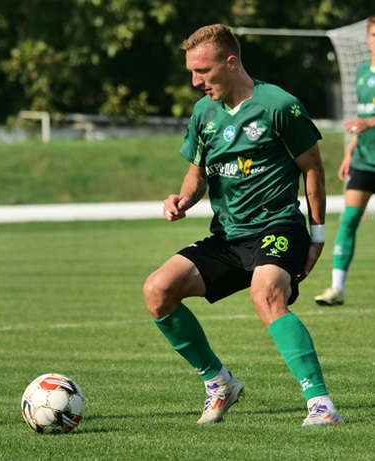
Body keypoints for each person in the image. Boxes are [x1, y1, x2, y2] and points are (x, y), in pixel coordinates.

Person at [142, 24, 344, 426]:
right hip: (228, 237)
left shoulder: (280, 106)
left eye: (203, 71)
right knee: (158, 290)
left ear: (231, 63)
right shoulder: (204, 113)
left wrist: (317, 235)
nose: (196, 82)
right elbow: (197, 173)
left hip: (278, 228)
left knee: (266, 293)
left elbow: (313, 169)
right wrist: (183, 199)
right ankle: (219, 383)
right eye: (191, 73)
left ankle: (321, 405)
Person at [314, 15, 375, 307]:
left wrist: (370, 122)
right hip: (363, 161)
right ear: (367, 38)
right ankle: (336, 289)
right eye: (374, 35)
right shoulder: (362, 72)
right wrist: (349, 153)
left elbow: (366, 120)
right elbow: (360, 119)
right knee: (348, 220)